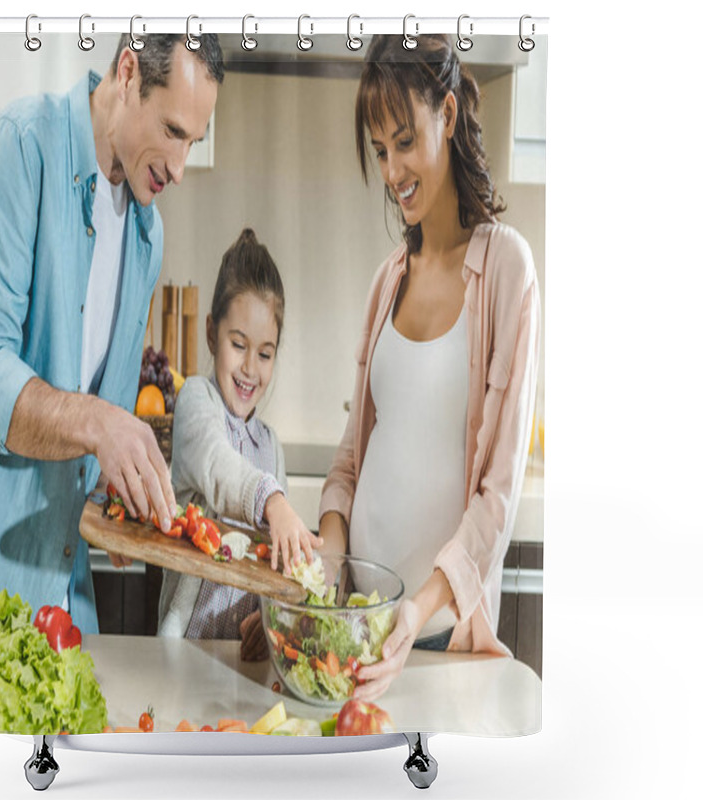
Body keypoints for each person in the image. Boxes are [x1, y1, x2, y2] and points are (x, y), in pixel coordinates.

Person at [0, 34, 224, 634]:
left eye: (193, 140)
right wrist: (97, 424)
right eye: (171, 130)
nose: (181, 168)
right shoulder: (20, 148)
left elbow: (94, 433)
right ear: (128, 72)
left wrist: (115, 502)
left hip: (67, 611)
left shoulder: (147, 234)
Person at [318, 35, 541, 700]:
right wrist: (324, 576)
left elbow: (497, 496)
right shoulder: (388, 279)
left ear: (447, 114)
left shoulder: (508, 270)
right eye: (381, 150)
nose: (392, 171)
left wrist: (415, 612)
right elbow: (351, 461)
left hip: (437, 636)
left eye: (405, 141)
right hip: (357, 626)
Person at [157, 228, 322, 660]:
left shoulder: (272, 447)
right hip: (183, 651)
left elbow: (274, 558)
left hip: (242, 660)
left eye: (265, 354)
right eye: (238, 345)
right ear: (212, 334)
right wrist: (273, 500)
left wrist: (269, 616)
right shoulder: (196, 400)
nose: (251, 367)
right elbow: (218, 467)